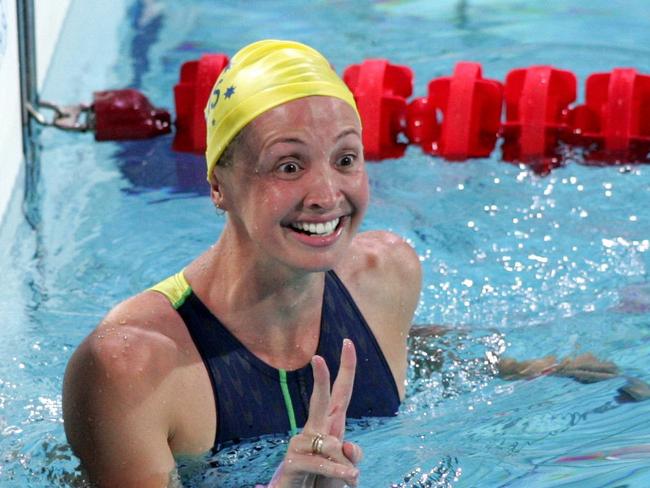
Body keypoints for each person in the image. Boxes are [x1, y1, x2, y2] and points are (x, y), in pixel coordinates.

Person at [62, 39, 422, 487]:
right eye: (288, 167)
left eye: (346, 159)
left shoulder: (386, 278)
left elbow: (422, 349)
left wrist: (508, 367)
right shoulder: (132, 369)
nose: (328, 196)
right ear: (218, 186)